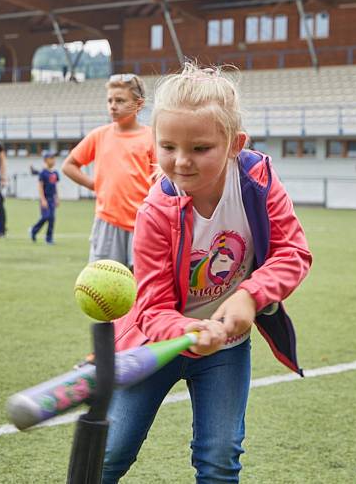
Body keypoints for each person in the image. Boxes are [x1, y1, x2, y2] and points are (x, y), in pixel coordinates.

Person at [103, 63, 312, 483]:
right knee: (110, 453)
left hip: (227, 349)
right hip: (152, 346)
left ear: (235, 144)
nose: (181, 162)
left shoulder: (257, 181)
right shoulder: (155, 211)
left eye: (200, 148)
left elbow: (294, 252)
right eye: (168, 147)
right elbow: (153, 307)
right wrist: (189, 332)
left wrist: (250, 294)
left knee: (219, 459)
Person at [61, 73, 155, 268]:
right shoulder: (99, 135)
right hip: (108, 223)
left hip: (143, 224)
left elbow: (161, 180)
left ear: (139, 104)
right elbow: (69, 165)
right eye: (110, 100)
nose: (113, 105)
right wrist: (96, 185)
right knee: (102, 284)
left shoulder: (152, 137)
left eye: (120, 100)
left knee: (140, 288)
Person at [30, 150, 60, 245]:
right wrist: (43, 199)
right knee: (45, 216)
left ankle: (49, 238)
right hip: (45, 198)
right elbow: (40, 186)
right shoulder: (43, 173)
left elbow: (55, 186)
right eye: (51, 158)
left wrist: (57, 198)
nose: (53, 160)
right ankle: (34, 230)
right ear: (46, 160)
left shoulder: (55, 173)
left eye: (54, 158)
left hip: (52, 199)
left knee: (52, 219)